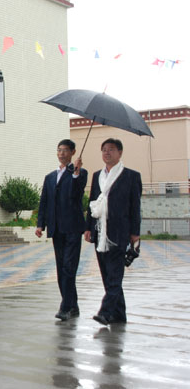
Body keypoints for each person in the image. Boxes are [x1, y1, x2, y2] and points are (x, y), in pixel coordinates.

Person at [84, 138, 142, 325]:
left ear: (120, 153)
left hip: (119, 232)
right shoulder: (97, 176)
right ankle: (119, 315)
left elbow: (135, 207)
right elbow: (92, 202)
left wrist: (135, 232)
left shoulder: (131, 176)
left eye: (111, 149)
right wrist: (88, 227)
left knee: (115, 275)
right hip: (100, 231)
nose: (107, 153)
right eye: (104, 150)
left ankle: (106, 312)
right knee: (107, 275)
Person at [35, 139, 88, 322]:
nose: (61, 153)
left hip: (72, 228)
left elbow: (76, 193)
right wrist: (40, 224)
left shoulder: (80, 173)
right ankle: (73, 305)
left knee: (68, 267)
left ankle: (65, 307)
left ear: (73, 152)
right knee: (61, 268)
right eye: (59, 150)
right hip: (56, 229)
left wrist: (76, 173)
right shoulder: (50, 177)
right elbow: (44, 201)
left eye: (65, 150)